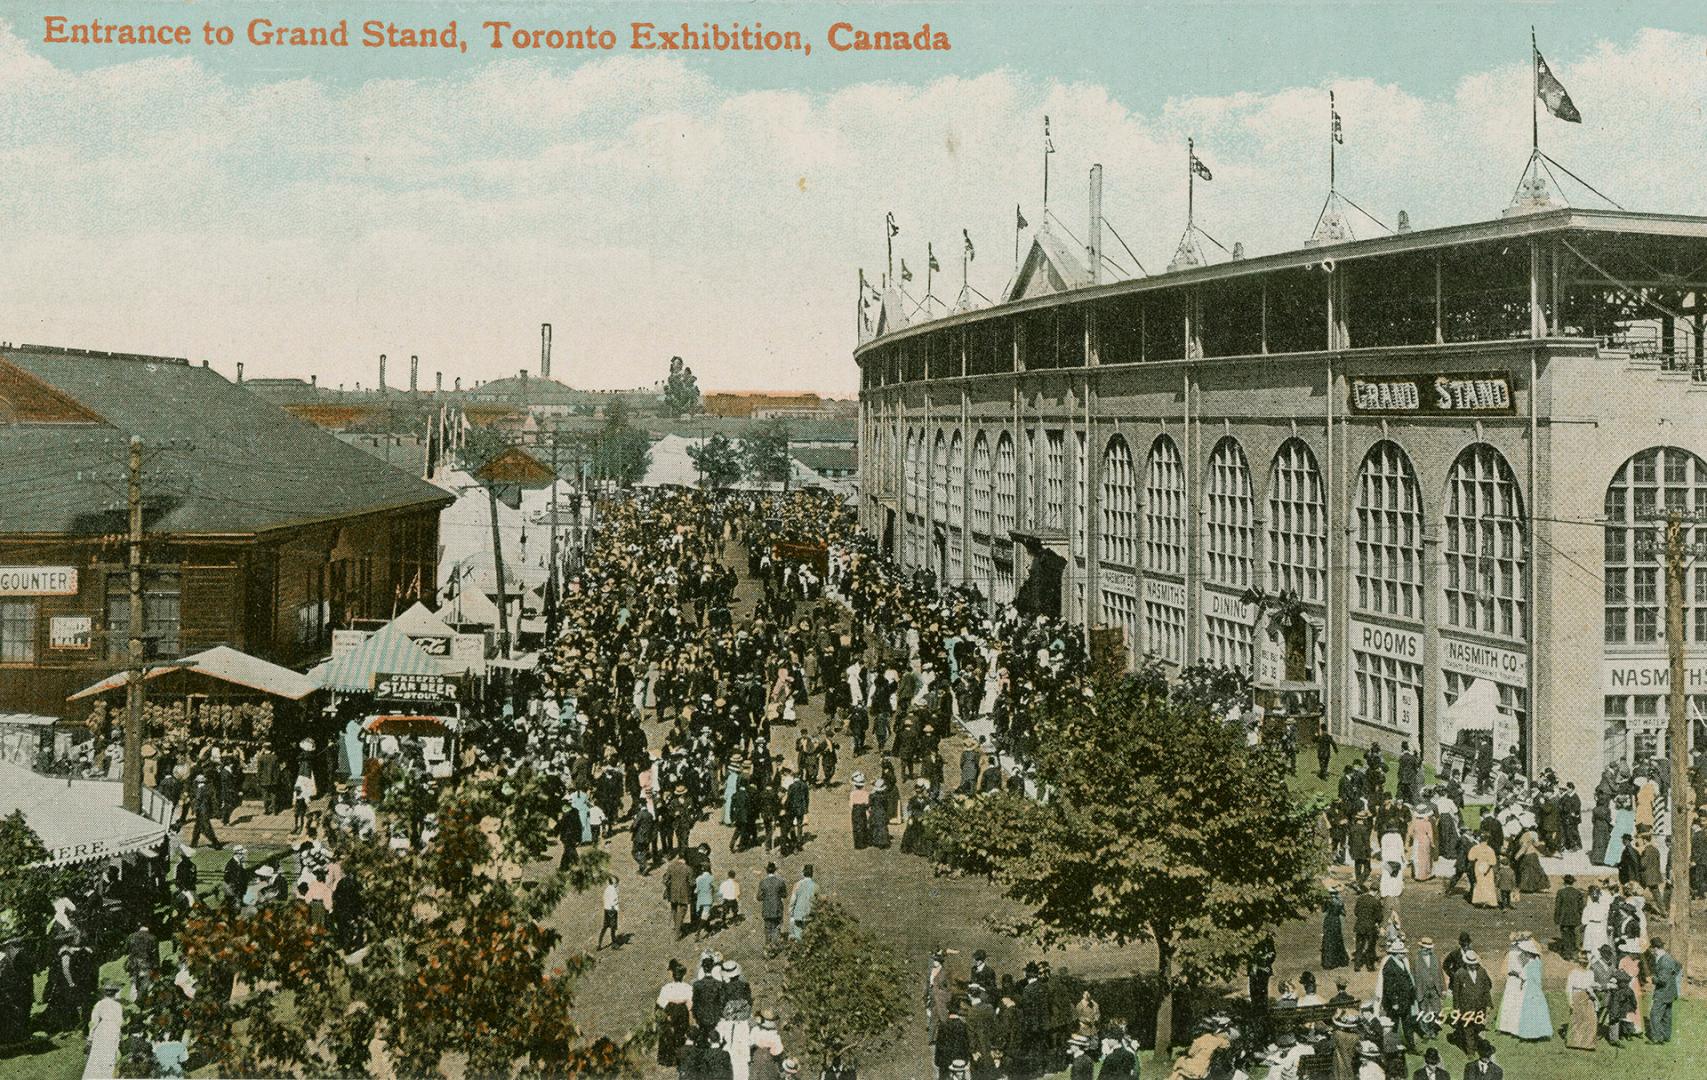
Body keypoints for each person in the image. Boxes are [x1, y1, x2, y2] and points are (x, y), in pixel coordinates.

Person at [1446, 949, 1491, 1054]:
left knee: (1478, 1028)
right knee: (1468, 1029)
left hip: (1480, 1007)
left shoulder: (1482, 971)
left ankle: (1477, 1045)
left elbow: (1486, 989)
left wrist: (1488, 1004)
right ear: (1466, 963)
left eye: (1475, 964)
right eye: (1471, 964)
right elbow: (1456, 993)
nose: (1474, 966)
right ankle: (1470, 1051)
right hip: (1466, 1008)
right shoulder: (1459, 974)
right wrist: (1456, 1008)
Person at [82, 982, 123, 1080]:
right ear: (115, 993)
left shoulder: (99, 1004)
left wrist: (91, 1036)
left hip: (102, 1029)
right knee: (110, 1055)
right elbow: (119, 1021)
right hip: (113, 1030)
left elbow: (94, 1022)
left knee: (98, 1055)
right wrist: (119, 1032)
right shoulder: (118, 1006)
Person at [1512, 936, 1551, 1040]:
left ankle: (1529, 1034)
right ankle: (1539, 1032)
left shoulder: (1528, 965)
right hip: (1537, 990)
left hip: (1528, 989)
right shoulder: (1538, 963)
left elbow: (1523, 976)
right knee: (1538, 1011)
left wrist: (1517, 974)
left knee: (1528, 1010)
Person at [1647, 935, 1681, 1044]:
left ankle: (1657, 1037)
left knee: (1654, 1014)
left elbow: (1662, 980)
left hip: (1663, 992)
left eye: (1652, 949)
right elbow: (1678, 966)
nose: (1652, 951)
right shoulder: (1668, 957)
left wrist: (1652, 978)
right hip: (1670, 992)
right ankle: (1666, 1035)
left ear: (1656, 948)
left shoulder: (1664, 960)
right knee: (1667, 1015)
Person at [1564, 949, 1598, 1050]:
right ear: (1579, 962)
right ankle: (1574, 1042)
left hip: (1588, 995)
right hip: (1577, 995)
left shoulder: (1590, 973)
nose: (1584, 964)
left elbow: (1591, 985)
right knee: (1577, 1019)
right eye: (1582, 962)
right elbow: (1568, 988)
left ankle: (1587, 1043)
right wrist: (1570, 1001)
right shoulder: (1573, 973)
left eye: (1586, 962)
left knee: (1591, 1019)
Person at [1553, 873, 1585, 958]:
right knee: (1573, 935)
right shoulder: (1578, 892)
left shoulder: (1561, 892)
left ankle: (1567, 954)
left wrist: (1556, 919)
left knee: (1565, 935)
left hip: (1564, 918)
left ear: (1564, 882)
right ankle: (1574, 953)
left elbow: (1558, 907)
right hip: (1575, 918)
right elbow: (1581, 907)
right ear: (1573, 883)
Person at [758, 863, 787, 946]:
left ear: (766, 870)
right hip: (777, 908)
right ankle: (775, 946)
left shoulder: (763, 882)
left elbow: (759, 897)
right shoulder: (780, 881)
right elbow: (784, 894)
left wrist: (766, 896)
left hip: (767, 909)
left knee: (767, 929)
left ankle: (768, 947)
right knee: (777, 927)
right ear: (775, 870)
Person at [1465, 834, 1497, 908]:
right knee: (1488, 884)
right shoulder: (1490, 849)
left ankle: (1479, 900)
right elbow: (1493, 862)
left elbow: (1470, 858)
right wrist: (1488, 868)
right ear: (1487, 840)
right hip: (1487, 866)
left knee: (1479, 883)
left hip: (1479, 865)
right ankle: (1489, 901)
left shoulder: (1475, 848)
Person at [1321, 887, 1349, 970]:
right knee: (1338, 940)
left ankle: (1329, 962)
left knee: (1328, 940)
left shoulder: (1327, 901)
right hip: (1336, 921)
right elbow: (1344, 913)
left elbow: (1323, 910)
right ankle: (1340, 960)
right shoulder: (1340, 902)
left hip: (1329, 920)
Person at [788, 865, 817, 941]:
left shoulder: (797, 885)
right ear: (812, 874)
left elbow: (793, 900)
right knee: (809, 937)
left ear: (803, 873)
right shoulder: (816, 886)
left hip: (798, 914)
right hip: (810, 914)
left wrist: (791, 912)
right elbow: (817, 902)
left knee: (798, 936)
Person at [597, 875, 620, 951]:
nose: (617, 884)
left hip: (606, 910)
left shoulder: (607, 889)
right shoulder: (613, 890)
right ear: (614, 883)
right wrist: (616, 902)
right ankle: (614, 944)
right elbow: (613, 902)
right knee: (613, 928)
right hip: (612, 910)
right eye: (616, 883)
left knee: (605, 927)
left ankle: (599, 944)